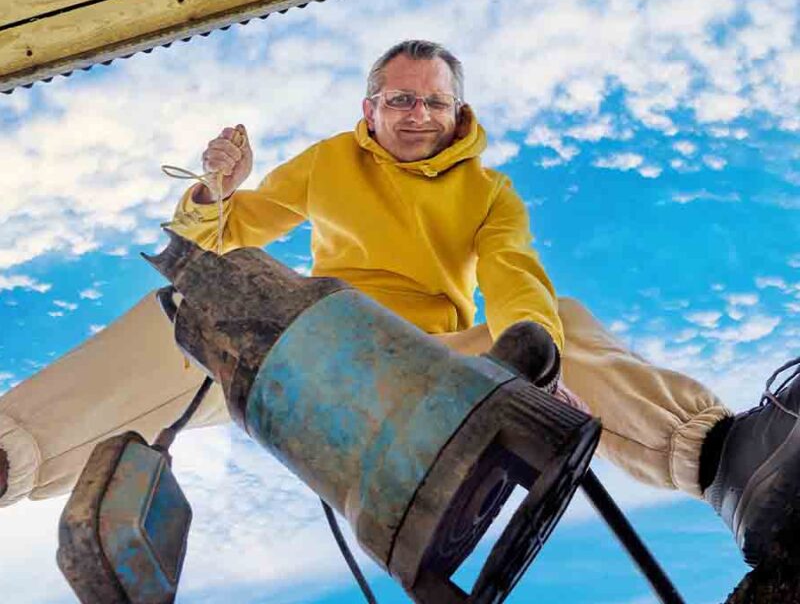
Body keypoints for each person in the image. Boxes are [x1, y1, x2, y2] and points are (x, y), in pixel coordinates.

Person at [0, 40, 798, 568]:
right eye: (399, 100)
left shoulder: (488, 192)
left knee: (571, 319)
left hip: (427, 368)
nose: (416, 115)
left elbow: (514, 270)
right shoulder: (326, 164)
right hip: (302, 346)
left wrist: (533, 347)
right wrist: (217, 189)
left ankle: (725, 460)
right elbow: (219, 238)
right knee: (180, 312)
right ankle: (10, 454)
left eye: (432, 102)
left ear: (458, 113)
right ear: (369, 110)